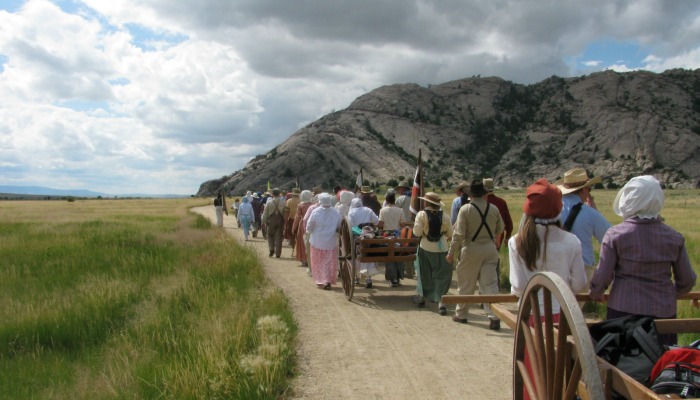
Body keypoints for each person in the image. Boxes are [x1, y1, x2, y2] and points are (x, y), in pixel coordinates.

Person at [589, 175, 696, 346]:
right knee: (661, 364)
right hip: (663, 314)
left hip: (623, 313)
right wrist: (670, 294)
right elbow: (687, 280)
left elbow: (602, 277)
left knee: (623, 363)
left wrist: (595, 293)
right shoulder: (674, 237)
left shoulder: (616, 235)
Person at [509, 178, 587, 316]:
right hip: (563, 314)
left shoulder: (517, 242)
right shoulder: (572, 241)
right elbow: (579, 284)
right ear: (558, 209)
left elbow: (519, 287)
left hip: (531, 314)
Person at [447, 179, 504, 330]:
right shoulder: (493, 209)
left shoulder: (465, 209)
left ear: (470, 195)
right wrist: (496, 244)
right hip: (490, 249)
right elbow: (500, 230)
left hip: (471, 248)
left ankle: (462, 314)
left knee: (466, 283)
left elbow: (458, 234)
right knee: (490, 284)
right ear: (484, 194)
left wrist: (451, 252)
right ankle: (494, 317)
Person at [555, 168, 611, 288]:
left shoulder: (552, 211)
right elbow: (609, 237)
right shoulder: (590, 213)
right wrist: (595, 211)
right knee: (576, 306)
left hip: (555, 267)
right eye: (589, 189)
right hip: (582, 268)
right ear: (584, 190)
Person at [412, 192, 453, 315]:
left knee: (424, 273)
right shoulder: (445, 216)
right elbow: (450, 234)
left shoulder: (421, 214)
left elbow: (417, 233)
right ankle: (441, 303)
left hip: (425, 247)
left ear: (426, 202)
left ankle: (421, 298)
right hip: (442, 248)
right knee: (441, 275)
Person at [306, 193, 342, 290]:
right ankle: (327, 279)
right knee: (328, 262)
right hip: (331, 241)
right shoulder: (336, 212)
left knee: (318, 262)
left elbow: (309, 226)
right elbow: (340, 226)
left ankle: (322, 280)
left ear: (320, 200)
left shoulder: (315, 212)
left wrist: (309, 231)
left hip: (317, 241)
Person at [348, 198, 380, 288]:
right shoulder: (368, 210)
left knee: (355, 255)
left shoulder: (351, 212)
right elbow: (377, 220)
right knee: (369, 254)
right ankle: (368, 278)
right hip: (369, 236)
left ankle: (356, 277)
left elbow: (350, 225)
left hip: (357, 236)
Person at [378, 191, 408, 287]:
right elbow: (403, 224)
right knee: (398, 256)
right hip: (397, 236)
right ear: (394, 200)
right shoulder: (400, 210)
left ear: (386, 200)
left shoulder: (383, 210)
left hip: (386, 236)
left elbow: (381, 224)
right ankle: (398, 277)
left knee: (389, 256)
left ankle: (392, 278)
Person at [394, 181, 415, 278]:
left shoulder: (400, 199)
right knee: (414, 249)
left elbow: (396, 212)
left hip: (404, 227)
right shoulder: (414, 198)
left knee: (405, 248)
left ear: (402, 189)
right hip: (414, 226)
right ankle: (413, 270)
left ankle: (408, 271)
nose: (398, 190)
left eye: (399, 189)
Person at [262, 188, 286, 258]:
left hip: (271, 220)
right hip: (280, 220)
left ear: (272, 194)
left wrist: (264, 221)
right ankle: (278, 253)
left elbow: (265, 213)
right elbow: (284, 213)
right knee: (279, 237)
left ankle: (271, 249)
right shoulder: (283, 202)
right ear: (279, 194)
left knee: (270, 235)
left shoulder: (269, 202)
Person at [292, 190, 314, 269]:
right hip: (312, 225)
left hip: (303, 225)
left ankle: (303, 260)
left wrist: (294, 227)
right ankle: (310, 260)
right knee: (310, 242)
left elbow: (297, 217)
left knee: (302, 243)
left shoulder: (301, 205)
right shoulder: (313, 205)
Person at [284, 188, 301, 254]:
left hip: (291, 219)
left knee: (291, 235)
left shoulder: (289, 201)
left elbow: (286, 212)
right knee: (299, 235)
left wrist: (285, 221)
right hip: (300, 220)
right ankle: (298, 249)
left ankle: (293, 248)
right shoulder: (301, 201)